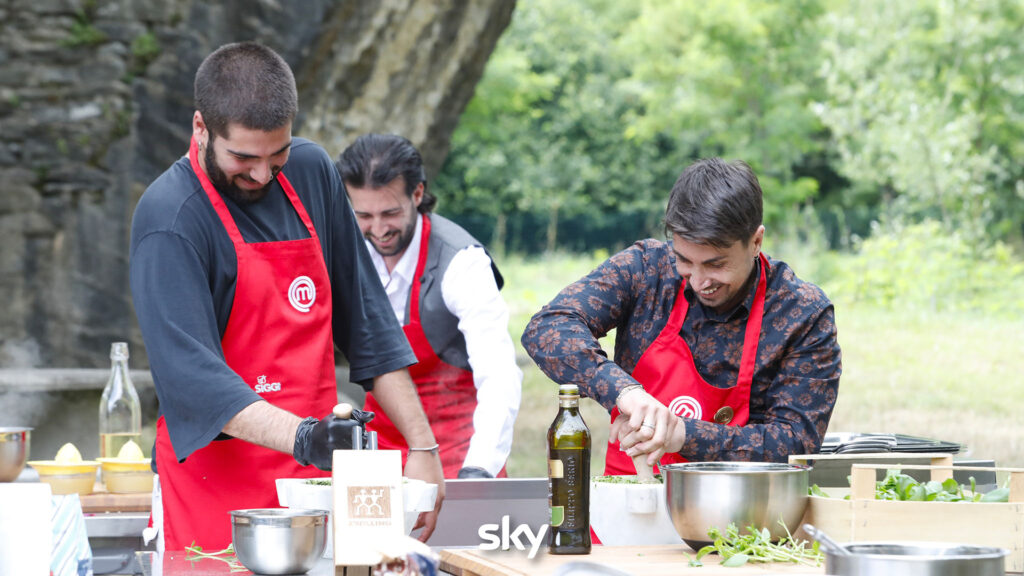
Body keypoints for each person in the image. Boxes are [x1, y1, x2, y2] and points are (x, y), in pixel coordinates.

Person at [129, 42, 444, 550]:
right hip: (217, 491)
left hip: (318, 481)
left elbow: (367, 324)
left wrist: (423, 446)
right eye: (243, 158)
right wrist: (305, 438)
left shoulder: (311, 170)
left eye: (277, 155)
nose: (261, 175)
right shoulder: (170, 218)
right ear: (200, 128)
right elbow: (193, 380)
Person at [521, 158, 841, 473]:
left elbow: (795, 445)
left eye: (716, 264)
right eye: (684, 260)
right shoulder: (646, 270)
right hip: (630, 504)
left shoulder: (801, 312)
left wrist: (683, 435)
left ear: (756, 241)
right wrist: (623, 391)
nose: (700, 281)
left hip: (739, 516)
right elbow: (548, 327)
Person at [337, 134, 522, 479]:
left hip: (458, 450)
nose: (378, 230)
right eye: (363, 215)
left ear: (418, 194)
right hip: (383, 451)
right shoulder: (347, 254)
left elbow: (498, 374)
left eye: (390, 213)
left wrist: (480, 467)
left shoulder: (462, 263)